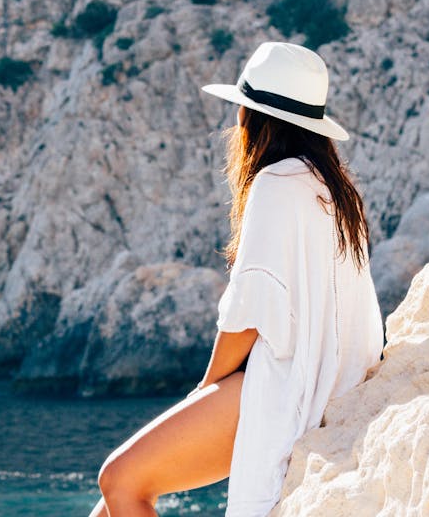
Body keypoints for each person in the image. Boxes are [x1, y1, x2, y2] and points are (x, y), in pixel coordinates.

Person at [88, 41, 386, 517]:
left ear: (253, 119)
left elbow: (252, 311)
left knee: (119, 480)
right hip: (334, 380)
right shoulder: (334, 191)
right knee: (109, 506)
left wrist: (204, 389)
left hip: (287, 385)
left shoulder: (275, 186)